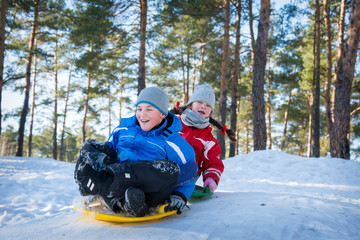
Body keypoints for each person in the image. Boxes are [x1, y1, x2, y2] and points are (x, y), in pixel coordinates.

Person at [74, 86, 197, 217]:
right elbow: (109, 152)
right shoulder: (123, 129)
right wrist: (95, 160)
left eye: (149, 110)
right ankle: (105, 190)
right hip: (120, 183)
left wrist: (180, 194)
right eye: (139, 109)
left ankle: (107, 188)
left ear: (162, 114)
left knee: (171, 170)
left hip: (149, 191)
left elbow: (190, 170)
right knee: (90, 146)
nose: (142, 114)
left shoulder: (172, 140)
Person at [170, 84, 236, 193]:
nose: (203, 106)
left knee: (191, 167)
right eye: (199, 102)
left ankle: (178, 194)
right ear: (190, 105)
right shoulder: (173, 124)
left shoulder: (208, 140)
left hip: (188, 175)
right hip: (165, 168)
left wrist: (211, 178)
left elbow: (212, 161)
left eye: (208, 105)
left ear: (210, 112)